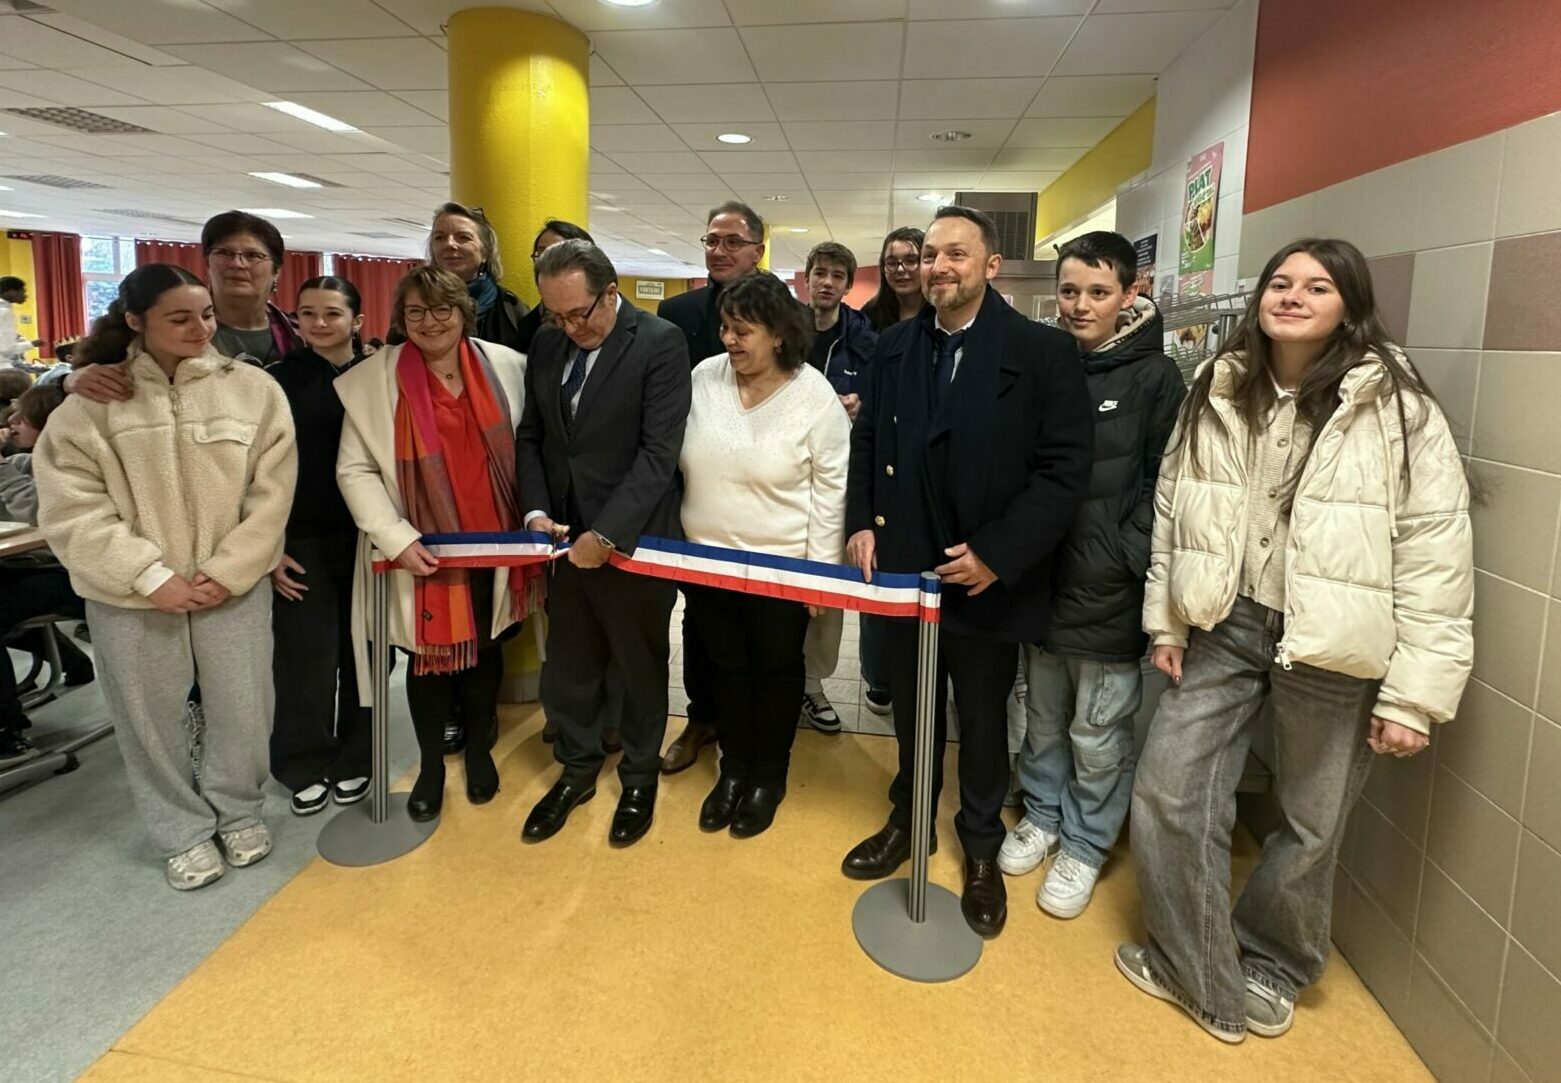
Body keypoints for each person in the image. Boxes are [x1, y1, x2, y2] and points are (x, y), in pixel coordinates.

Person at [1116, 238, 1474, 1043]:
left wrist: (1414, 695)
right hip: (1225, 620)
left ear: (1348, 303)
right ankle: (1194, 966)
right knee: (1170, 788)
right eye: (1279, 281)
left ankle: (1271, 960)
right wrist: (1165, 620)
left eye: (1316, 285)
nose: (1292, 295)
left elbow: (1435, 550)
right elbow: (1176, 508)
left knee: (1310, 822)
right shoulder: (1219, 384)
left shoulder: (1396, 406)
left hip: (1332, 640)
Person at [840, 206, 1093, 939]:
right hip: (905, 569)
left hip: (982, 572)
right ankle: (909, 820)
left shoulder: (1042, 353)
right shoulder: (892, 346)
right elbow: (864, 444)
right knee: (913, 708)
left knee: (981, 720)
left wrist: (998, 554)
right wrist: (860, 519)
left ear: (990, 267)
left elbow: (1062, 472)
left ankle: (978, 848)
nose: (938, 266)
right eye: (928, 254)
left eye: (956, 253)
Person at [33, 264, 297, 890]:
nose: (199, 328)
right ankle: (178, 830)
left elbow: (273, 492)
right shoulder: (91, 405)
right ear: (134, 321)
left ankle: (238, 810)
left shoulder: (252, 391)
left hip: (228, 589)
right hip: (129, 596)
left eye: (205, 315)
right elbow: (71, 508)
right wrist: (148, 576)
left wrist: (229, 571)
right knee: (148, 718)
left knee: (244, 707)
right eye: (179, 318)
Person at [997, 231, 1186, 919]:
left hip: (1108, 587)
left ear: (1130, 294)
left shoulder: (1155, 378)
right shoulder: (1048, 364)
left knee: (1098, 731)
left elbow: (1168, 483)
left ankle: (1083, 839)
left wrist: (1123, 555)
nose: (1080, 305)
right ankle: (1042, 814)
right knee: (1042, 716)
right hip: (1041, 579)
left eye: (1098, 292)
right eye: (1069, 291)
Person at [336, 266, 536, 823]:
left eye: (443, 309)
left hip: (495, 546)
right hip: (418, 552)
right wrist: (395, 539)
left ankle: (477, 752)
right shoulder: (372, 381)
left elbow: (533, 450)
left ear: (464, 312)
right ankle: (429, 766)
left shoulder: (508, 369)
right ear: (401, 319)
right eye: (416, 312)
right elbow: (354, 470)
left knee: (485, 652)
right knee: (426, 663)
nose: (430, 322)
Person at [516, 240, 690, 848]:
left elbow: (658, 455)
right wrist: (537, 511)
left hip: (634, 540)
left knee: (639, 664)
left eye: (580, 313)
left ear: (611, 293)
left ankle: (639, 776)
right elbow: (533, 436)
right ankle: (579, 767)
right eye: (556, 316)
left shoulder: (660, 344)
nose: (570, 327)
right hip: (561, 541)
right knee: (571, 665)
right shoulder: (545, 344)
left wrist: (607, 534)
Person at [679, 272, 848, 836]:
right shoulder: (704, 377)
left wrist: (819, 577)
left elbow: (831, 490)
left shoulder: (813, 395)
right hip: (707, 563)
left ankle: (768, 776)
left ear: (779, 334)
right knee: (724, 667)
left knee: (775, 672)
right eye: (726, 327)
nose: (729, 339)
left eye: (743, 330)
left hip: (781, 568)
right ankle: (733, 770)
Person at [656, 200, 767, 774]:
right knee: (701, 617)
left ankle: (755, 725)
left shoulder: (784, 313)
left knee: (759, 627)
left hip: (762, 497)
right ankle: (701, 718)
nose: (719, 250)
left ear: (758, 250)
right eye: (711, 240)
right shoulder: (674, 314)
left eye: (732, 241)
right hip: (690, 491)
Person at [266, 276, 373, 816]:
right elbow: (257, 471)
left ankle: (358, 757)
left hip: (371, 538)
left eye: (332, 313)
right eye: (307, 314)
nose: (319, 323)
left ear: (356, 320)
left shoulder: (381, 376)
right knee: (306, 658)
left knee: (368, 655)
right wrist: (269, 547)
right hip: (302, 539)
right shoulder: (274, 382)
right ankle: (303, 761)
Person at [795, 241, 877, 736]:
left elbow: (885, 402)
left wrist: (860, 405)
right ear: (806, 278)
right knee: (780, 586)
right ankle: (781, 679)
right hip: (783, 479)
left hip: (836, 480)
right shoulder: (782, 330)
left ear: (848, 285)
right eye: (819, 273)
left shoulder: (867, 341)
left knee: (827, 586)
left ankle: (813, 684)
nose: (827, 282)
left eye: (837, 276)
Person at [0, 382, 93, 768]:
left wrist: (1, 470)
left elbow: (44, 511)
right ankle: (70, 661)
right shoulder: (35, 458)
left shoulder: (71, 460)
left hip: (78, 573)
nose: (11, 422)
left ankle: (6, 732)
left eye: (22, 417)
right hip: (44, 567)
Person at [855, 227, 924, 717]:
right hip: (877, 453)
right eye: (891, 260)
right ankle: (878, 674)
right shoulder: (867, 322)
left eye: (910, 259)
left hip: (922, 462)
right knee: (877, 573)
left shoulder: (943, 320)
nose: (900, 268)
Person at [429, 201, 530, 353]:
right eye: (439, 237)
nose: (449, 244)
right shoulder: (414, 304)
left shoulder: (512, 309)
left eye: (463, 237)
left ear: (485, 252)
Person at [516, 219, 594, 355]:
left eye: (557, 251)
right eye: (540, 252)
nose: (546, 260)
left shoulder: (599, 315)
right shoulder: (527, 324)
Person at [860, 227, 926, 333]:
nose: (900, 269)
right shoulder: (870, 315)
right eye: (891, 263)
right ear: (883, 268)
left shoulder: (943, 312)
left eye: (911, 261)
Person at [0, 276, 43, 370]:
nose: (25, 295)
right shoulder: (4, 312)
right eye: (22, 291)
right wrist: (32, 344)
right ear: (11, 291)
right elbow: (7, 349)